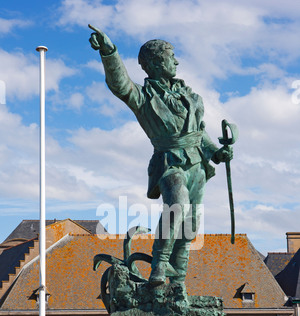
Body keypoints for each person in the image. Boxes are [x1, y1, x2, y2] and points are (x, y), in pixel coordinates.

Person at [89, 26, 232, 289]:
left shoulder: (191, 96)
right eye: (171, 56)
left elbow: (199, 132)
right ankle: (158, 266)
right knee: (177, 206)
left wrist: (217, 152)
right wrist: (109, 53)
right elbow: (120, 84)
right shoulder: (143, 98)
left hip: (197, 165)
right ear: (154, 62)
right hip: (169, 161)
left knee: (191, 223)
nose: (176, 61)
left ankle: (178, 279)